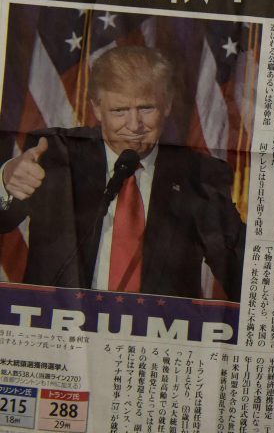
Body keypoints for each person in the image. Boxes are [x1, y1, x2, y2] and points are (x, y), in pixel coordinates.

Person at [0, 46, 246, 299]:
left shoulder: (201, 174)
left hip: (155, 331)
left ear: (168, 105)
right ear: (97, 109)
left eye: (146, 108)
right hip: (61, 326)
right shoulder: (54, 153)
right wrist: (6, 181)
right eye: (119, 110)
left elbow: (240, 271)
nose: (134, 125)